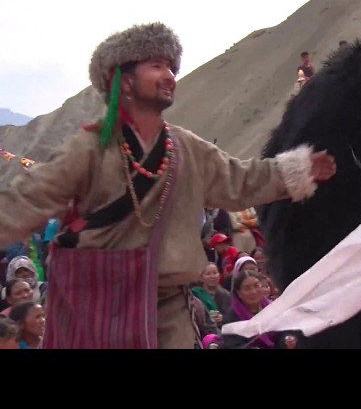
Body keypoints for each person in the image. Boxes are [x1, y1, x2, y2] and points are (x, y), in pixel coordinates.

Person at [0, 22, 336, 349]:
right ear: (125, 80)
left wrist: (299, 169)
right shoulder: (90, 148)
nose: (169, 77)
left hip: (168, 309)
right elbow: (29, 199)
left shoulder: (187, 147)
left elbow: (241, 180)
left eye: (172, 68)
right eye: (157, 65)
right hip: (97, 307)